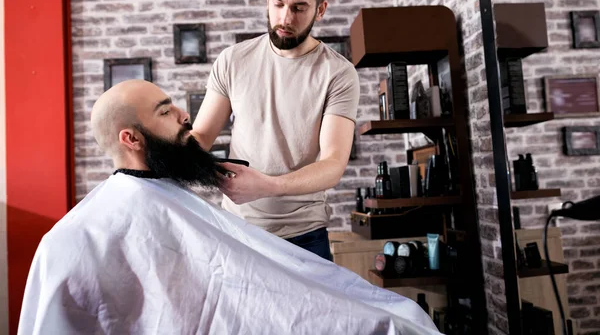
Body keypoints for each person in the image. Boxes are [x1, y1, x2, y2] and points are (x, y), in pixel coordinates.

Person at [18, 80, 440, 335]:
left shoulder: (169, 199)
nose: (186, 115)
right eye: (165, 111)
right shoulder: (76, 238)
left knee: (396, 318)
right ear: (132, 138)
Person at [192, 0, 359, 260]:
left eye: (299, 8)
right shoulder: (232, 60)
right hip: (238, 230)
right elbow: (200, 137)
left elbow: (333, 164)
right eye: (278, 3)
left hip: (304, 237)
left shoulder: (338, 73)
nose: (285, 18)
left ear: (320, 10)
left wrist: (265, 186)